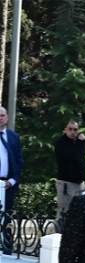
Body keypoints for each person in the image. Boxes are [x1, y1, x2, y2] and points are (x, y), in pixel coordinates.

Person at [0, 106, 23, 254]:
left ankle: (6, 248)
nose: (0, 118)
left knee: (7, 216)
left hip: (7, 184)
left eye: (2, 115)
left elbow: (19, 161)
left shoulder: (14, 137)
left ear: (7, 118)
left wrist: (12, 181)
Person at [54, 120, 85, 218]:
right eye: (70, 129)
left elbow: (81, 160)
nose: (73, 132)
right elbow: (73, 156)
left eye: (75, 130)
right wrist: (80, 142)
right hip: (67, 184)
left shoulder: (76, 144)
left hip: (80, 183)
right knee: (65, 211)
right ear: (65, 130)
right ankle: (60, 232)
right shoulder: (61, 143)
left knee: (82, 210)